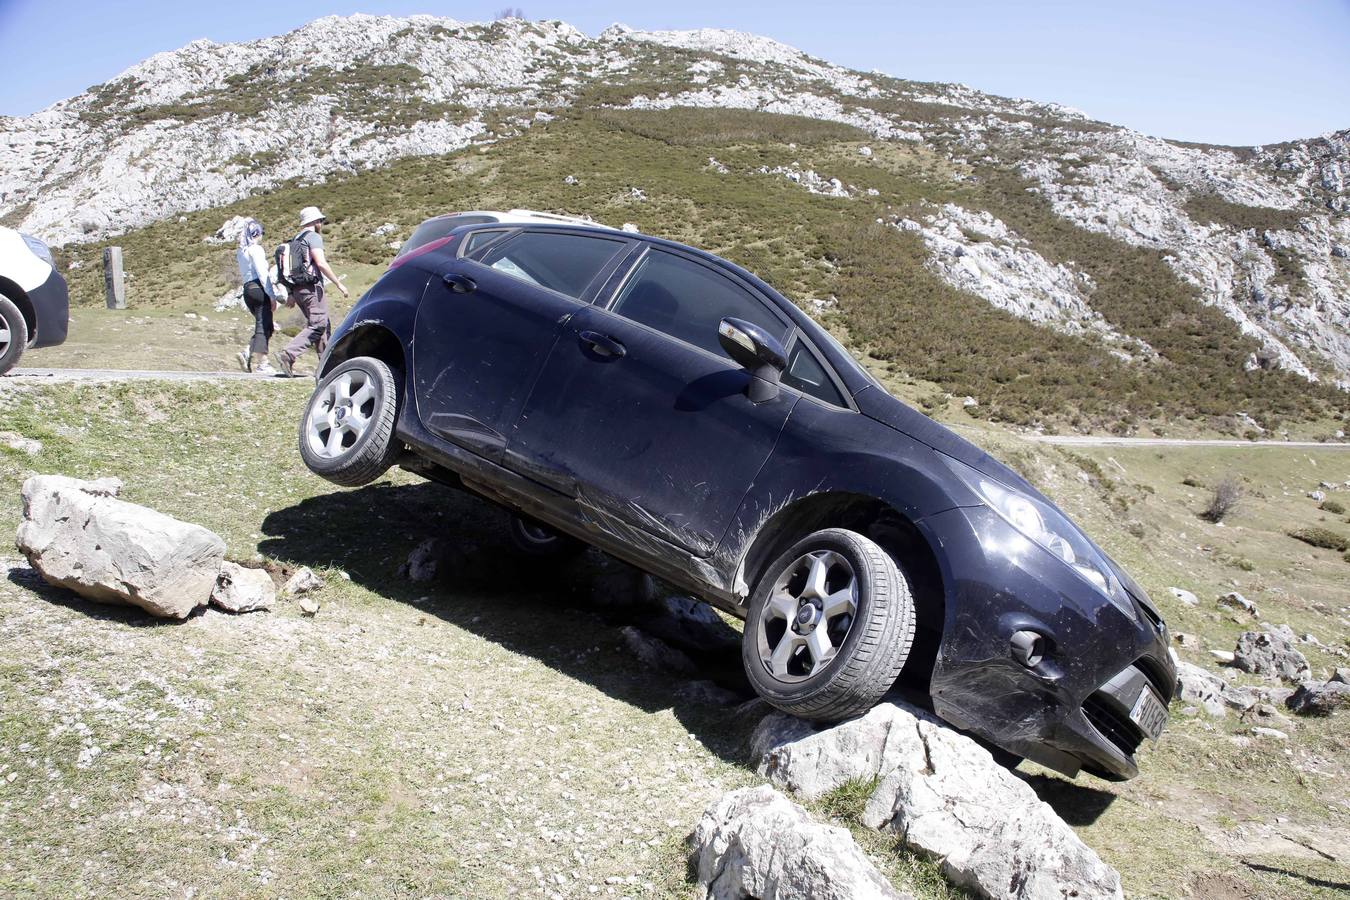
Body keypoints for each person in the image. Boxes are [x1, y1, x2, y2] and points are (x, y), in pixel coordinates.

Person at [272, 206, 349, 378]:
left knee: (322, 324)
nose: (321, 223)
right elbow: (320, 263)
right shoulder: (313, 237)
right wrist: (339, 284)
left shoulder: (295, 239)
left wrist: (292, 293)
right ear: (314, 222)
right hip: (311, 287)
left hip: (298, 289)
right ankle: (289, 354)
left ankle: (326, 367)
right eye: (320, 220)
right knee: (319, 324)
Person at [234, 218, 279, 375]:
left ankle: (248, 351)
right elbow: (262, 273)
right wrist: (271, 295)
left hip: (247, 290)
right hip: (259, 288)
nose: (262, 237)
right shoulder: (256, 249)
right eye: (261, 234)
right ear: (257, 233)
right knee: (262, 325)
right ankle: (263, 364)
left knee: (266, 325)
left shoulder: (241, 252)